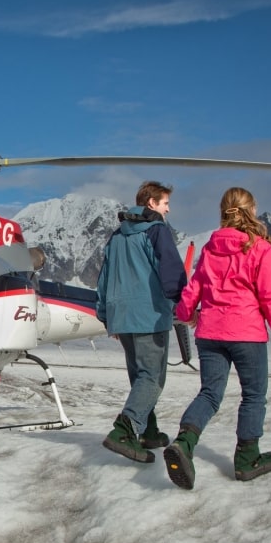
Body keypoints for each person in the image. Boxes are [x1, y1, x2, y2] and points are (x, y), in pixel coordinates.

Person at [165, 186, 271, 490]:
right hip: (246, 334)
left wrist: (186, 314)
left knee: (210, 394)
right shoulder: (260, 248)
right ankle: (247, 459)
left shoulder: (211, 247)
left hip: (209, 332)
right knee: (253, 395)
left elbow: (193, 289)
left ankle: (184, 444)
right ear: (251, 210)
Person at [95, 181, 187, 463]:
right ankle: (124, 431)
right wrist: (181, 303)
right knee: (152, 378)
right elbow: (171, 270)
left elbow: (104, 278)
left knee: (139, 375)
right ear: (151, 203)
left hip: (122, 317)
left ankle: (148, 430)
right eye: (164, 203)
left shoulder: (116, 236)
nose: (168, 209)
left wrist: (106, 315)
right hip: (149, 314)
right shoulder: (156, 230)